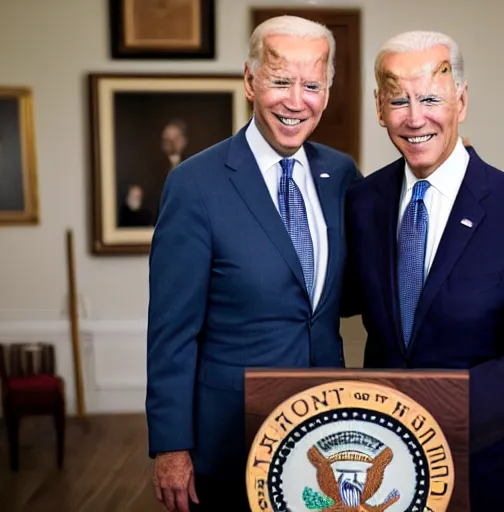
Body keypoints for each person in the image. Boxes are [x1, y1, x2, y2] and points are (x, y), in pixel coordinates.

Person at [146, 15, 359, 512]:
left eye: (311, 84)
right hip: (229, 438)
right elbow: (171, 332)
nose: (295, 99)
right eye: (280, 80)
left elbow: (349, 292)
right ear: (249, 81)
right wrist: (171, 445)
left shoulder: (342, 175)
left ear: (326, 93)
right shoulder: (195, 184)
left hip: (328, 432)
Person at [343, 30, 504, 510]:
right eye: (399, 101)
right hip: (383, 466)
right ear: (378, 107)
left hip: (486, 462)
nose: (415, 119)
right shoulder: (361, 202)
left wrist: (442, 411)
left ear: (461, 99)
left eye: (431, 98)